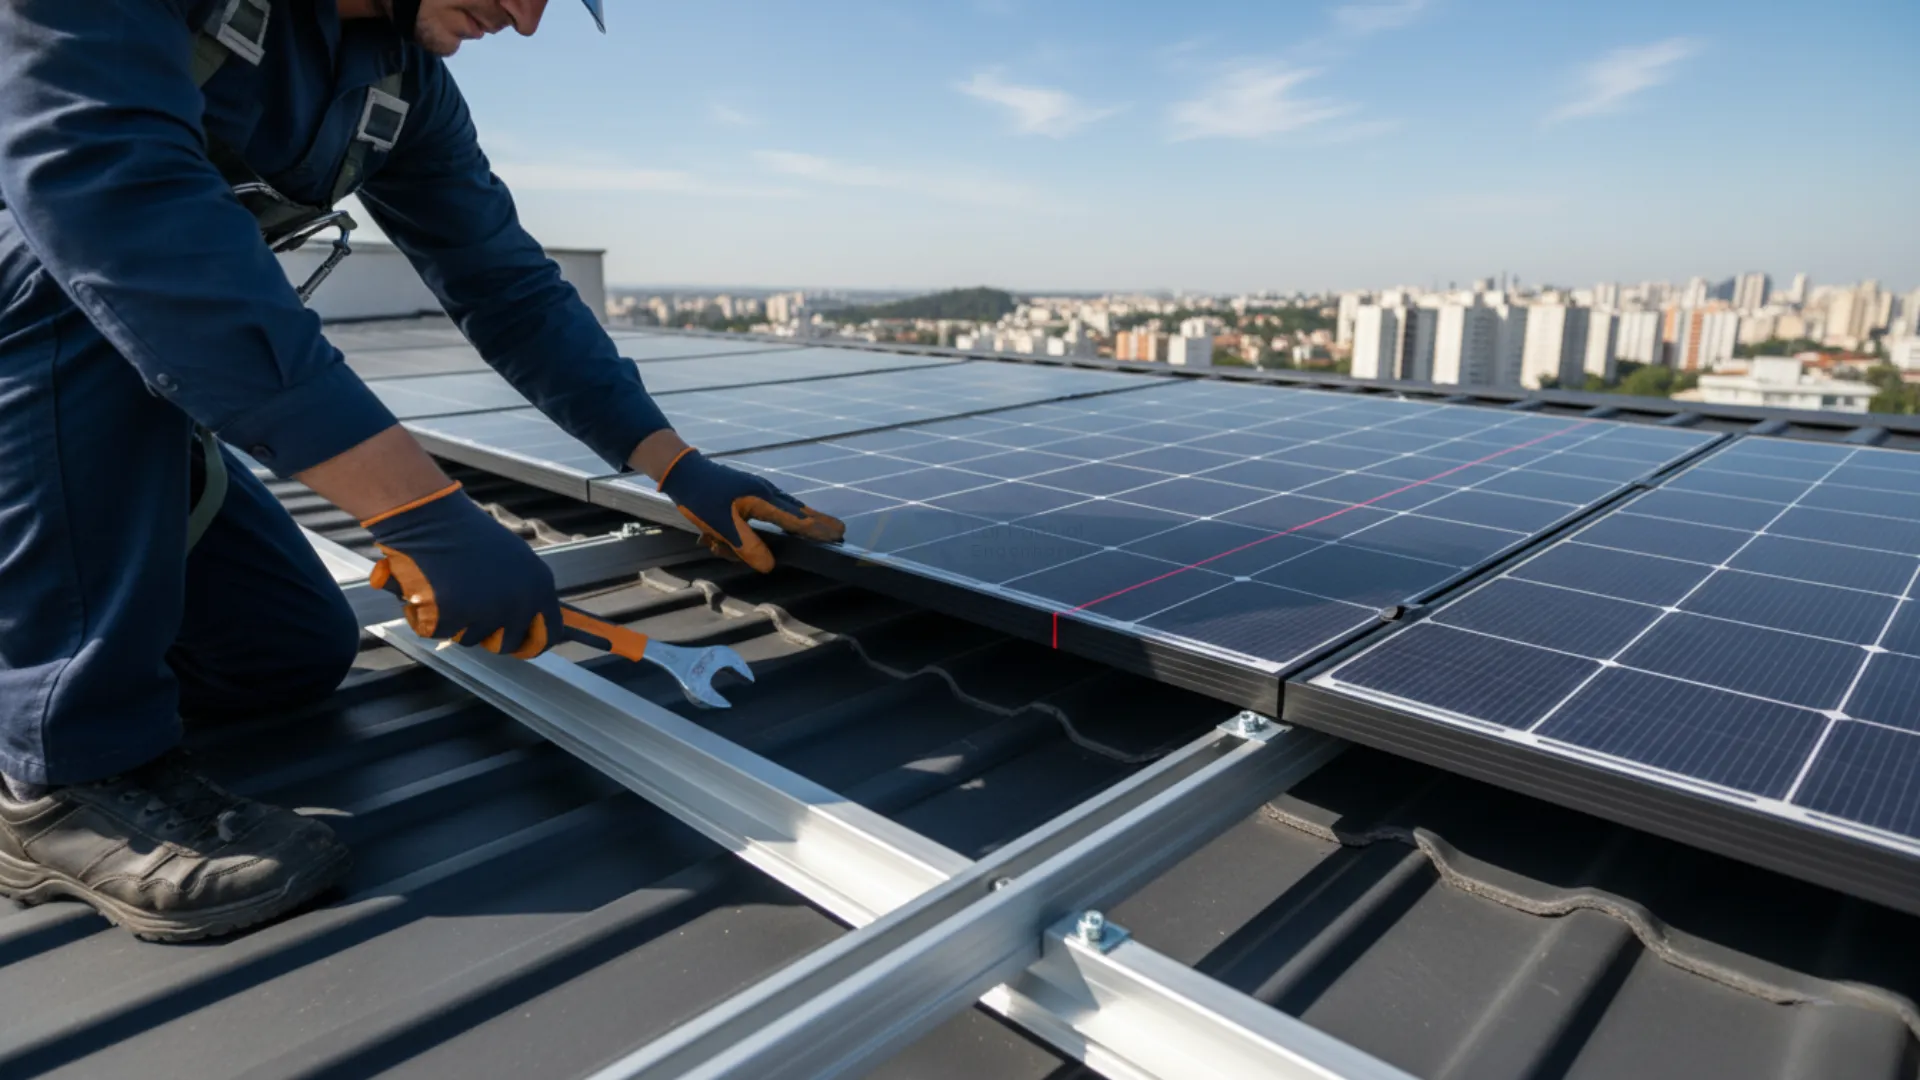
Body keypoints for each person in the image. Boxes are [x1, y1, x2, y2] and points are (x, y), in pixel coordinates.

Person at [0, 0, 844, 942]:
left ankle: (41, 650)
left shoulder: (396, 86)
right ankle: (58, 781)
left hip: (95, 414)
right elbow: (129, 220)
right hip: (34, 351)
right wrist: (423, 515)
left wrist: (673, 464)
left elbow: (505, 285)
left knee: (285, 656)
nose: (527, 20)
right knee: (75, 269)